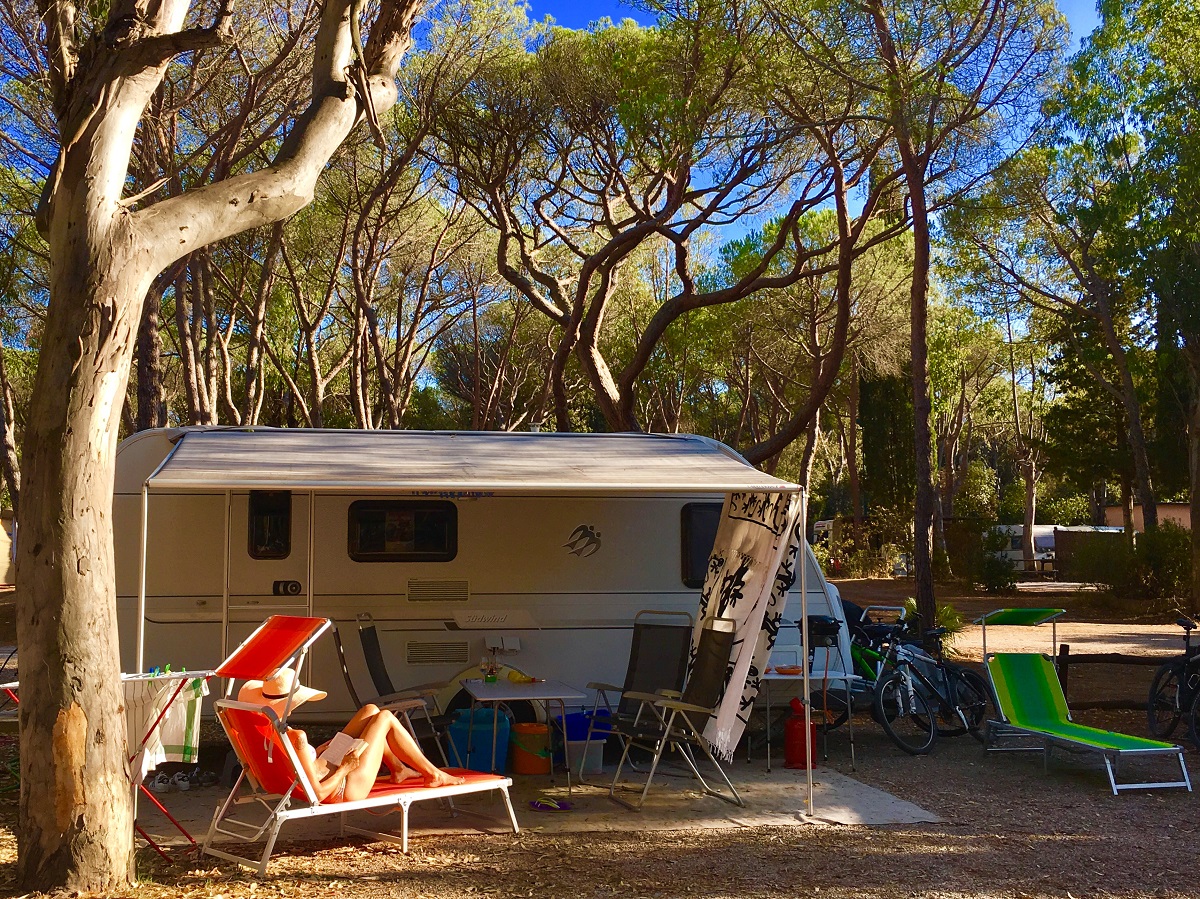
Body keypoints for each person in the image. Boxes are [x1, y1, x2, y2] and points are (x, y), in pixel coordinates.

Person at [238, 667, 465, 802]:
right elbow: (318, 794)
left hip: (325, 765)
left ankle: (398, 769)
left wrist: (317, 754)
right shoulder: (297, 737)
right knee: (384, 718)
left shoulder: (270, 730)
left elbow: (298, 767)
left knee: (370, 711)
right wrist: (346, 766)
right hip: (342, 787)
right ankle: (434, 774)